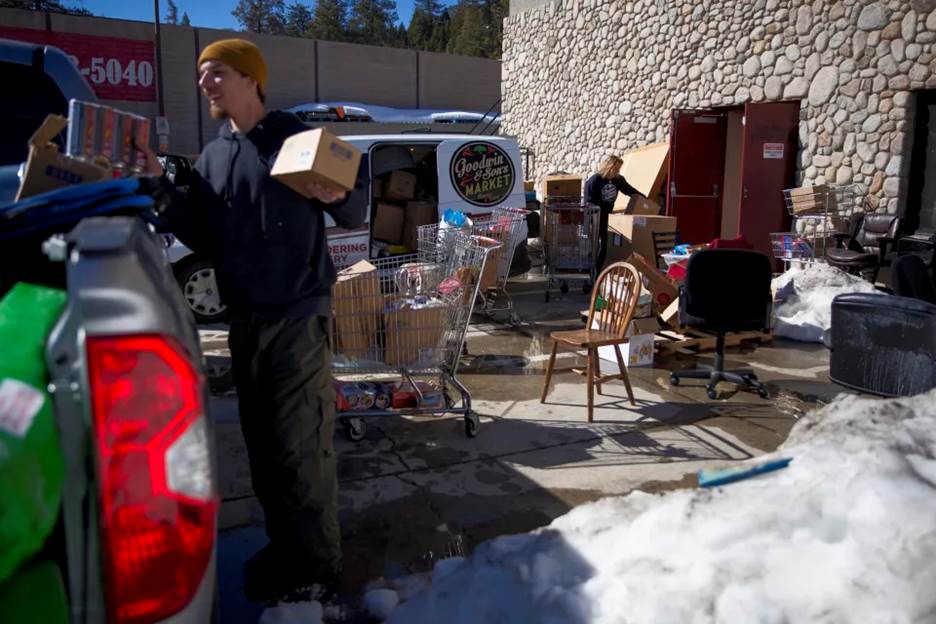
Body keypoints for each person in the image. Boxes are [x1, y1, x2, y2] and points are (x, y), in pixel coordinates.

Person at [141, 39, 364, 605]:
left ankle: (319, 569)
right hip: (245, 322)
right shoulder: (214, 156)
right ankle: (285, 549)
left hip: (296, 316)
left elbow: (355, 202)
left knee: (301, 449)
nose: (204, 84)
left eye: (215, 73)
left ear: (249, 78)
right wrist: (157, 184)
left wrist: (337, 191)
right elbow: (203, 234)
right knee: (263, 450)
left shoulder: (295, 135)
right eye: (201, 76)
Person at [584, 155, 643, 273]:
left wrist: (645, 199)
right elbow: (588, 201)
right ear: (608, 167)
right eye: (615, 169)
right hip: (594, 218)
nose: (617, 172)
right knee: (595, 247)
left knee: (606, 246)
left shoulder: (618, 180)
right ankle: (590, 272)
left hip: (608, 218)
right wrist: (595, 212)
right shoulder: (594, 180)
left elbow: (630, 191)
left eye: (619, 169)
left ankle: (599, 273)